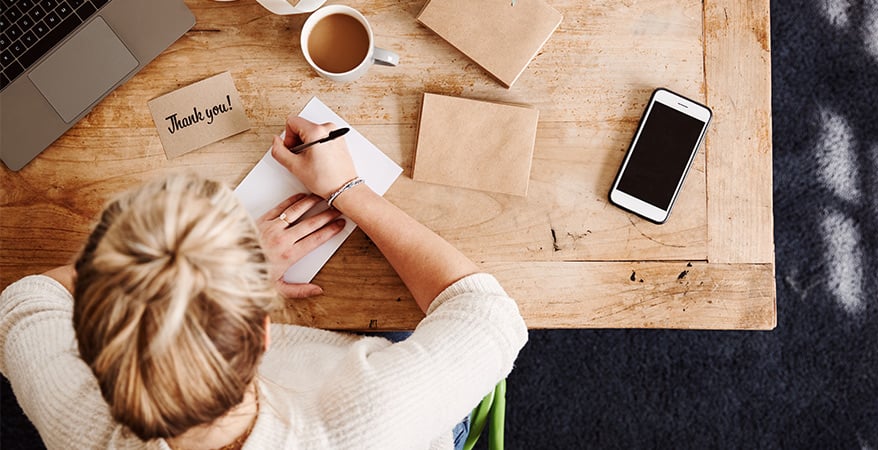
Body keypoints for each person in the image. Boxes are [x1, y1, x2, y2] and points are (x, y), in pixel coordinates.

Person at [0, 117, 528, 450]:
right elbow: (490, 314)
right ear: (263, 331)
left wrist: (217, 274)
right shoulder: (370, 416)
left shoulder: (79, 422)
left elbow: (24, 302)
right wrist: (347, 187)